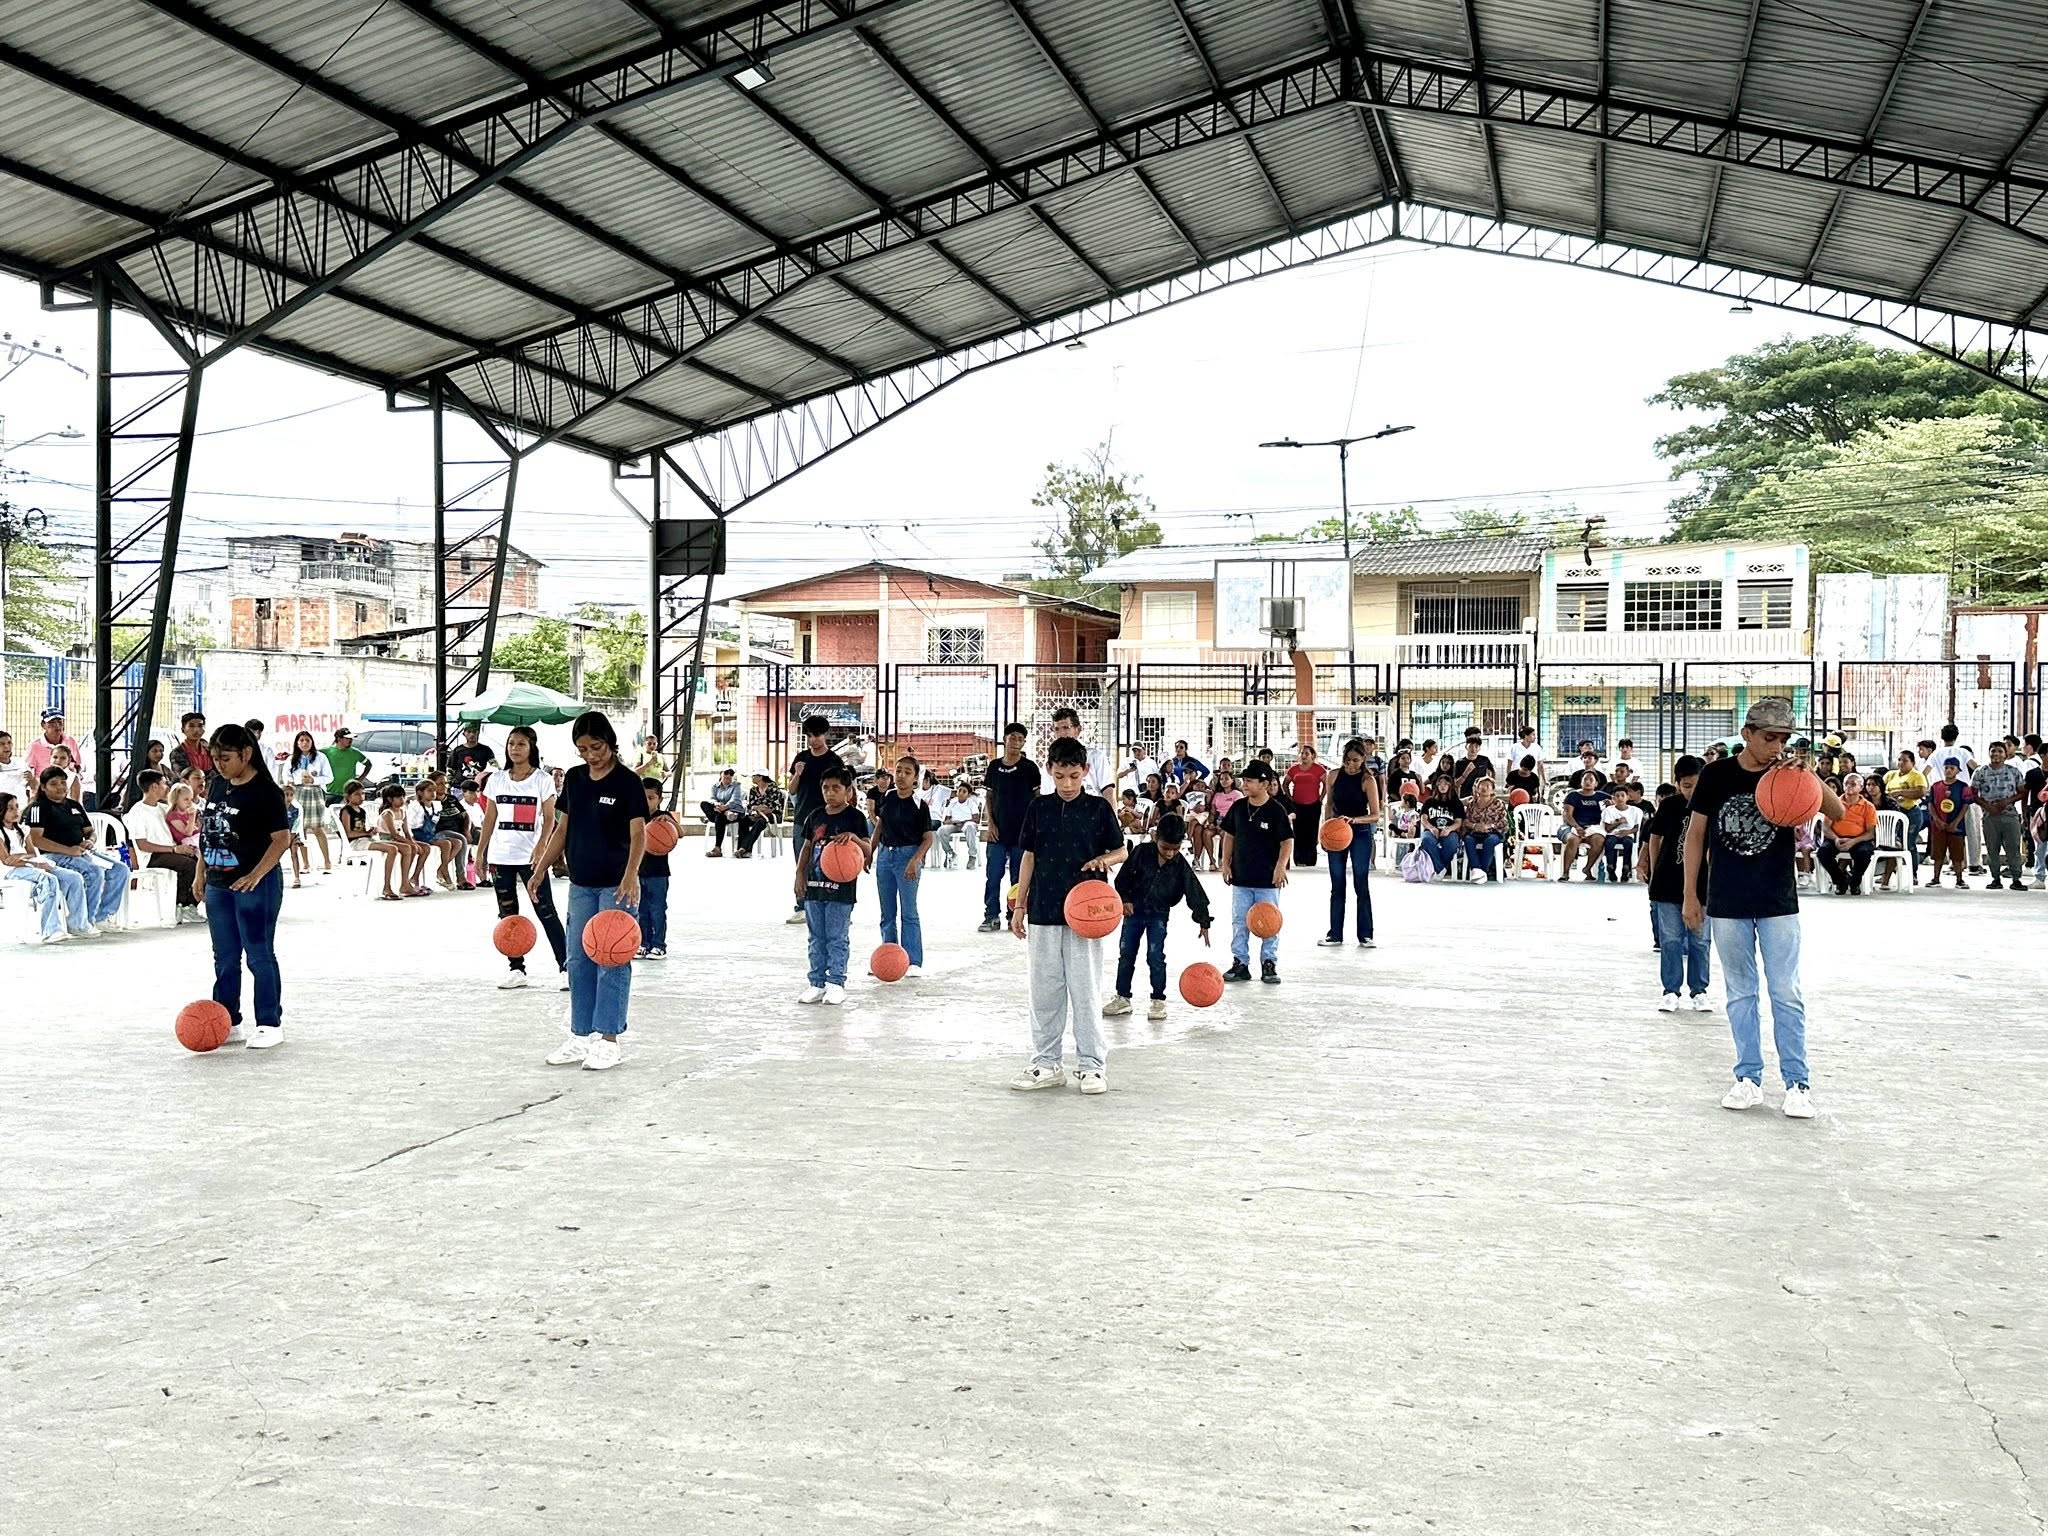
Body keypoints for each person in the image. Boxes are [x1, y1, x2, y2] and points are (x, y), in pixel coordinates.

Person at [1683, 697, 1843, 1119]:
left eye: (1783, 739)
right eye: (1770, 738)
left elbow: (1838, 810)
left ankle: (1797, 1084)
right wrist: (1690, 895)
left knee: (1786, 991)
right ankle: (1748, 1078)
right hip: (1727, 899)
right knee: (1740, 992)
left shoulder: (1790, 776)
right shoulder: (1716, 775)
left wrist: (1808, 775)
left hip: (1777, 901)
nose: (1777, 746)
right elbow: (1695, 836)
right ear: (1747, 734)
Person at [526, 711, 644, 1070]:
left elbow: (639, 834)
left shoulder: (627, 782)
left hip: (616, 886)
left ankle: (608, 1040)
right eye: (583, 749)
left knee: (611, 958)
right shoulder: (575, 779)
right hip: (581, 885)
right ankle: (579, 1036)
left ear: (610, 743)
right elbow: (562, 829)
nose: (591, 755)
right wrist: (540, 869)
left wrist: (631, 875)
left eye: (597, 747)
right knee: (578, 959)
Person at [1009, 735, 1126, 1092]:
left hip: (1086, 914)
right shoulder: (1039, 808)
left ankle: (1092, 1065)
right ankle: (1046, 1063)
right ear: (1050, 771)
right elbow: (1029, 857)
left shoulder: (1098, 808)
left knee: (1086, 991)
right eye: (1060, 776)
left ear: (1085, 770)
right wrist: (1019, 905)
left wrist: (1103, 860)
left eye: (1074, 776)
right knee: (1044, 993)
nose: (1068, 784)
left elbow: (1121, 851)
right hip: (1044, 910)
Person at [197, 723, 293, 1049]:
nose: (219, 765)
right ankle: (227, 1018)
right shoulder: (217, 784)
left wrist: (257, 875)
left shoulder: (266, 792)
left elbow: (281, 839)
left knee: (258, 954)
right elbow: (208, 831)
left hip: (255, 887)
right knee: (224, 957)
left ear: (246, 753)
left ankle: (269, 1022)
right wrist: (200, 872)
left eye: (225, 758)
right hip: (218, 883)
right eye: (215, 758)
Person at [480, 726, 567, 990]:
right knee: (508, 914)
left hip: (530, 858)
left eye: (521, 744)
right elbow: (490, 818)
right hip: (501, 856)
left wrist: (542, 847)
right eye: (511, 744)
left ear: (531, 748)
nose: (515, 749)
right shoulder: (496, 779)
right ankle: (516, 968)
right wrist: (481, 851)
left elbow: (550, 818)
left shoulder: (542, 779)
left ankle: (566, 967)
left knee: (546, 910)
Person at [1105, 812, 1213, 1020]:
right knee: (1126, 955)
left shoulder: (1180, 864)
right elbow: (1122, 879)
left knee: (1155, 957)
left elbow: (1194, 891)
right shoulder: (1140, 852)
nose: (1170, 854)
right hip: (1134, 913)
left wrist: (1204, 920)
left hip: (1159, 915)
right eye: (1165, 848)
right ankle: (1122, 997)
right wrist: (1125, 899)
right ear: (1155, 838)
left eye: (1175, 849)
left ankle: (1158, 1000)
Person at [794, 759, 869, 1005]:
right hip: (815, 887)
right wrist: (799, 874)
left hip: (841, 889)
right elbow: (807, 847)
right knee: (816, 938)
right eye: (826, 788)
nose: (830, 792)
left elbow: (868, 850)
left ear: (848, 791)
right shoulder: (815, 816)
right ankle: (816, 983)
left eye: (836, 788)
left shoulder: (855, 817)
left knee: (837, 937)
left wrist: (853, 838)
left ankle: (836, 983)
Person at [1642, 754, 1711, 1013]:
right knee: (1670, 939)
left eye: (1697, 785)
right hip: (1668, 883)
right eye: (1687, 786)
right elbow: (1655, 838)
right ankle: (1670, 991)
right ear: (1677, 783)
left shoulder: (1712, 806)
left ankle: (1699, 991)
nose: (1692, 791)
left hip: (1702, 884)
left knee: (1700, 940)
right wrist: (1654, 869)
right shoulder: (1669, 805)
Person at [23, 766, 121, 933]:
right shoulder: (38, 807)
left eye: (63, 783)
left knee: (119, 869)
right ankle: (81, 922)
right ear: (44, 787)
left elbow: (90, 831)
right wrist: (69, 850)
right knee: (94, 872)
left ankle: (102, 917)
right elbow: (37, 840)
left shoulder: (74, 805)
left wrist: (90, 841)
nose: (60, 787)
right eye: (54, 784)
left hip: (81, 852)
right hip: (55, 855)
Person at [1219, 760, 1291, 984]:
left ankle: (1269, 963)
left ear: (1265, 784)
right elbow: (1229, 836)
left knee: (1269, 922)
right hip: (1241, 879)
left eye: (1249, 781)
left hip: (1267, 881)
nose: (1245, 784)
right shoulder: (1238, 807)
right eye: (1244, 780)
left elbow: (1287, 841)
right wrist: (1225, 863)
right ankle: (1240, 963)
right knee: (1239, 922)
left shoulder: (1276, 810)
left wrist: (1281, 866)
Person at [1, 791, 91, 944]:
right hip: (11, 871)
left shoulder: (23, 830)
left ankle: (78, 924)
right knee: (48, 879)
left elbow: (31, 853)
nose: (16, 811)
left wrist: (24, 857)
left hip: (31, 864)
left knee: (74, 878)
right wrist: (32, 862)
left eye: (16, 807)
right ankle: (50, 930)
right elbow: (7, 861)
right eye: (10, 808)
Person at [870, 754, 930, 979]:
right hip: (885, 857)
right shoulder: (888, 797)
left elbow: (928, 838)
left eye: (907, 772)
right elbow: (880, 826)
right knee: (887, 912)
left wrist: (915, 860)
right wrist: (870, 852)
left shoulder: (919, 805)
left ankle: (913, 960)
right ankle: (888, 957)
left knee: (909, 911)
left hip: (908, 857)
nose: (901, 775)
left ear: (915, 778)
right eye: (898, 771)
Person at [1317, 737, 1381, 945]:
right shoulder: (1333, 776)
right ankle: (1335, 934)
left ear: (1363, 759)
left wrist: (1354, 820)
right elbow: (1328, 805)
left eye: (1355, 760)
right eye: (1347, 760)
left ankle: (1366, 934)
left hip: (1359, 832)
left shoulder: (1368, 780)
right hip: (1337, 831)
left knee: (1361, 882)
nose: (1351, 764)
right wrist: (1325, 831)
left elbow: (1375, 815)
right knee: (1337, 883)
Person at [979, 723, 1041, 933]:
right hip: (997, 833)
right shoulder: (994, 767)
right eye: (1012, 737)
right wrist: (991, 823)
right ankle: (991, 916)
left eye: (1020, 739)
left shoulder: (1030, 768)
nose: (1016, 742)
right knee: (993, 876)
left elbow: (1037, 799)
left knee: (1018, 878)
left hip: (1022, 834)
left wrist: (1034, 828)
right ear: (1005, 739)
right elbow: (989, 796)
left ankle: (1013, 915)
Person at [123, 768, 203, 922]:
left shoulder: (163, 808)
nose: (167, 787)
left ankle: (190, 905)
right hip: (152, 856)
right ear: (154, 787)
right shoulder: (137, 812)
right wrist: (174, 849)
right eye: (164, 784)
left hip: (172, 850)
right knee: (189, 865)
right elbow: (142, 845)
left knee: (202, 862)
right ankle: (181, 905)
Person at [785, 715, 840, 923]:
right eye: (809, 735)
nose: (813, 740)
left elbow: (844, 790)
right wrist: (797, 774)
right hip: (802, 817)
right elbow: (791, 790)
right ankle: (802, 905)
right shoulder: (801, 758)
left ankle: (831, 904)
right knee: (802, 862)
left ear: (825, 735)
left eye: (816, 735)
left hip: (828, 818)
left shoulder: (834, 761)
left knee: (829, 862)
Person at [1971, 740, 2029, 890]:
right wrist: (1987, 806)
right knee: (1992, 849)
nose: (1996, 754)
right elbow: (1972, 794)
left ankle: (2016, 878)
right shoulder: (1980, 772)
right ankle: (1995, 878)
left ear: (2005, 755)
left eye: (2000, 751)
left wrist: (2007, 801)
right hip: (1989, 817)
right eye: (1993, 751)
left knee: (2013, 848)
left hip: (2010, 815)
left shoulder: (2013, 772)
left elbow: (2023, 792)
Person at [1816, 773, 1878, 895]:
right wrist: (1836, 839)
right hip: (1836, 838)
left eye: (1853, 784)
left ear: (1861, 787)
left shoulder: (1868, 807)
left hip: (1858, 839)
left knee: (1864, 853)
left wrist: (1853, 841)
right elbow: (1826, 827)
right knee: (1823, 852)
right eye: (1846, 784)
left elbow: (1870, 833)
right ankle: (1840, 880)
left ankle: (1855, 881)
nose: (1849, 786)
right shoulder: (1835, 803)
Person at [285, 731, 334, 877]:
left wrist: (314, 780)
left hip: (314, 792)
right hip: (298, 792)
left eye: (307, 740)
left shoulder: (320, 757)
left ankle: (327, 861)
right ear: (297, 743)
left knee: (318, 827)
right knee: (301, 829)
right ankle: (306, 863)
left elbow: (329, 777)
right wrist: (294, 782)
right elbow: (286, 776)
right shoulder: (292, 759)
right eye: (301, 740)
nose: (305, 743)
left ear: (312, 742)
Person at [371, 783, 428, 899]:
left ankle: (413, 877)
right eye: (398, 797)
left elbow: (406, 832)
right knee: (410, 848)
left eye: (403, 797)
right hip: (387, 839)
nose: (402, 800)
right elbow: (394, 835)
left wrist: (412, 841)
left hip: (400, 838)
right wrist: (411, 844)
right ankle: (404, 883)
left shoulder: (402, 812)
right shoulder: (388, 813)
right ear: (390, 799)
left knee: (425, 848)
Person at [637, 779, 672, 961]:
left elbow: (680, 833)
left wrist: (670, 823)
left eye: (651, 798)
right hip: (638, 872)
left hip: (659, 873)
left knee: (657, 910)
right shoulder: (635, 817)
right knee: (641, 910)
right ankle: (643, 943)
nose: (646, 801)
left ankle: (659, 945)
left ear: (660, 799)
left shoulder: (663, 817)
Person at [1924, 760, 1973, 888]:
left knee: (1957, 854)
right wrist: (1937, 820)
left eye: (1952, 768)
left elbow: (1965, 806)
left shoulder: (1963, 787)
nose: (1949, 770)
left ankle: (1959, 879)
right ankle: (1935, 878)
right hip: (1938, 826)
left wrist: (1955, 822)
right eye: (1946, 768)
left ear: (1958, 771)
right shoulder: (1935, 786)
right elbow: (1930, 804)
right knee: (1937, 854)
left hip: (1956, 826)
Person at [1883, 748, 1927, 886]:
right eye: (1899, 760)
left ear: (1912, 762)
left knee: (1909, 843)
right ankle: (1888, 874)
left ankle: (1912, 874)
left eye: (1905, 760)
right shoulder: (1891, 775)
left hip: (1910, 813)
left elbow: (1920, 792)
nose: (1901, 763)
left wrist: (1900, 792)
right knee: (1891, 843)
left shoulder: (1917, 776)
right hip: (1893, 814)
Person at [1281, 744, 1328, 868]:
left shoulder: (1318, 769)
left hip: (1313, 804)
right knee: (1298, 831)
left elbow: (1326, 784)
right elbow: (1285, 784)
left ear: (1312, 755)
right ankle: (1299, 859)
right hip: (1297, 805)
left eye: (1307, 753)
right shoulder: (1294, 769)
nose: (1304, 756)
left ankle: (1311, 859)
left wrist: (1321, 798)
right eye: (1302, 753)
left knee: (1312, 832)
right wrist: (1290, 798)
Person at [1558, 770, 1608, 881]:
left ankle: (1587, 868)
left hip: (1592, 829)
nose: (1588, 782)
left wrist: (1612, 803)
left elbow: (1620, 802)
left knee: (1599, 840)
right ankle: (1565, 873)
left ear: (1596, 784)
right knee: (1573, 840)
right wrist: (1577, 827)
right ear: (1581, 782)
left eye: (1591, 780)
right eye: (1585, 779)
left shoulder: (1601, 796)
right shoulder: (1573, 795)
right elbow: (1568, 815)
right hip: (1571, 826)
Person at [1416, 771, 1463, 877]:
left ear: (1450, 786)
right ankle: (1441, 868)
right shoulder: (1429, 801)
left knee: (1452, 843)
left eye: (1446, 783)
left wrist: (1449, 829)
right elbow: (1423, 819)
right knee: (1426, 840)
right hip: (1432, 829)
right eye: (1440, 783)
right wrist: (1431, 828)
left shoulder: (1456, 803)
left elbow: (1458, 822)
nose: (1442, 786)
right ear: (1436, 785)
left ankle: (1439, 868)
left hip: (1450, 831)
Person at [1462, 776, 1507, 882]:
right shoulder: (1472, 804)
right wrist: (1475, 826)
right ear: (1477, 789)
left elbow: (1503, 823)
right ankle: (1476, 869)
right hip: (1476, 832)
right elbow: (1466, 821)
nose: (1484, 788)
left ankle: (1483, 871)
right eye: (1481, 786)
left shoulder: (1498, 804)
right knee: (1468, 839)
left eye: (1487, 786)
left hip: (1493, 832)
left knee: (1490, 841)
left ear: (1492, 790)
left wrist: (1489, 826)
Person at [700, 767, 745, 856]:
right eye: (726, 774)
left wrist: (725, 807)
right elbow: (712, 798)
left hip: (734, 812)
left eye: (731, 774)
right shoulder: (715, 786)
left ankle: (717, 848)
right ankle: (725, 813)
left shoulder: (736, 785)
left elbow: (735, 800)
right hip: (721, 811)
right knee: (704, 804)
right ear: (721, 775)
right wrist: (717, 805)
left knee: (719, 817)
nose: (728, 776)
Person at [737, 772, 784, 858]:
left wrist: (758, 808)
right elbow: (751, 806)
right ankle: (745, 850)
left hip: (773, 815)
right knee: (743, 820)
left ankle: (743, 848)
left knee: (761, 821)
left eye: (754, 776)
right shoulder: (753, 790)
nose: (752, 778)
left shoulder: (774, 789)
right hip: (756, 815)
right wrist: (759, 808)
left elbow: (772, 807)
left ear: (760, 777)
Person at [1601, 783, 1642, 881]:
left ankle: (1626, 868)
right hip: (1612, 834)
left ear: (1627, 797)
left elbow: (1637, 828)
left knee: (1628, 843)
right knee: (1609, 843)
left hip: (1628, 834)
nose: (1620, 798)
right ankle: (1611, 866)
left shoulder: (1635, 811)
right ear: (1613, 798)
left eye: (1623, 795)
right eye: (1617, 796)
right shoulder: (1608, 810)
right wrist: (1618, 822)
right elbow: (1607, 828)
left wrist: (1627, 832)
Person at [937, 781, 981, 870]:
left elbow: (976, 820)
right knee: (941, 830)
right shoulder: (952, 802)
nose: (961, 793)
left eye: (964, 791)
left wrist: (963, 822)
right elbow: (946, 820)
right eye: (959, 790)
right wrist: (951, 822)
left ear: (968, 795)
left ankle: (972, 856)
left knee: (969, 826)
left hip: (968, 824)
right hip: (955, 825)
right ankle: (950, 853)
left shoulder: (971, 803)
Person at [321, 726, 369, 805]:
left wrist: (360, 779)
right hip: (329, 792)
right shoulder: (326, 752)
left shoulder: (355, 753)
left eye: (351, 738)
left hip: (347, 794)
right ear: (339, 739)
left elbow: (368, 764)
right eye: (347, 738)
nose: (350, 740)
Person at [120, 738, 167, 811]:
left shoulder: (164, 768)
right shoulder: (141, 770)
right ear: (147, 752)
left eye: (161, 751)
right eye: (154, 751)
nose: (159, 754)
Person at [167, 711, 212, 780]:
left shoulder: (208, 749)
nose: (196, 730)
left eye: (200, 726)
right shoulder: (177, 753)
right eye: (191, 726)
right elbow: (185, 777)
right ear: (183, 729)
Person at [1452, 729, 1495, 799]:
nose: (1473, 749)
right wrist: (1466, 772)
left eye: (1476, 746)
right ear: (1466, 747)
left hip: (1481, 795)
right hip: (1465, 796)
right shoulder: (1459, 763)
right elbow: (1456, 783)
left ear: (1479, 748)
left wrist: (1491, 786)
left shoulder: (1484, 760)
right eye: (1471, 746)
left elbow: (1492, 771)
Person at [337, 781, 371, 855]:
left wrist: (370, 832)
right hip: (354, 843)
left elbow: (362, 830)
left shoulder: (362, 811)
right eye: (357, 794)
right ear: (348, 796)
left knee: (394, 845)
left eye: (363, 793)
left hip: (364, 840)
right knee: (391, 849)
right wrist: (366, 833)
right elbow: (348, 834)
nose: (361, 797)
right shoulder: (346, 811)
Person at [166, 781, 199, 847]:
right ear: (176, 800)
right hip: (187, 842)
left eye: (191, 799)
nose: (190, 802)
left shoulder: (187, 812)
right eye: (186, 799)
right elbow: (188, 833)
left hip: (196, 837)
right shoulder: (173, 815)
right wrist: (192, 816)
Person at [0, 730, 28, 806]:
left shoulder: (21, 763)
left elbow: (33, 786)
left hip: (21, 808)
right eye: (2, 744)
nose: (6, 746)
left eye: (9, 743)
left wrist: (31, 779)